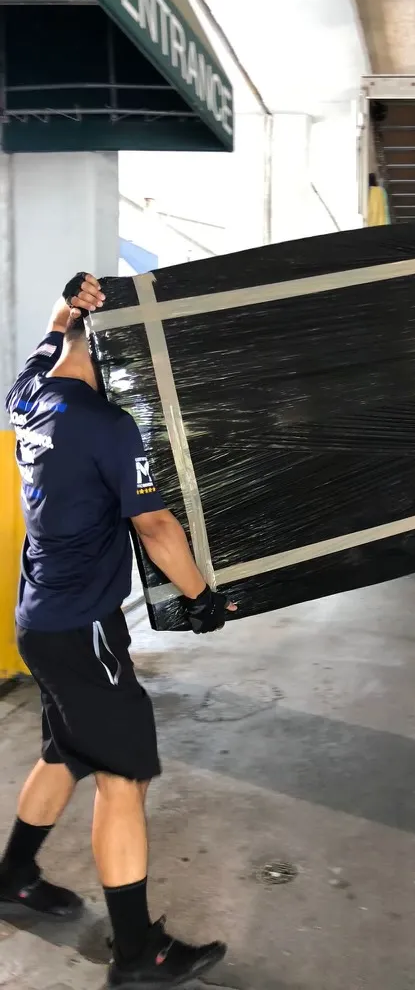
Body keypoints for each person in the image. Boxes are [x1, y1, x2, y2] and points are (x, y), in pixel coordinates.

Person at [1, 273, 235, 987]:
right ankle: (138, 954)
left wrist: (68, 301)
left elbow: (55, 328)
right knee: (123, 778)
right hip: (83, 630)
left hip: (38, 620)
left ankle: (11, 876)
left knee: (66, 751)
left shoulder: (27, 391)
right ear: (106, 346)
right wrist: (202, 597)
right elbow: (156, 526)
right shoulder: (107, 424)